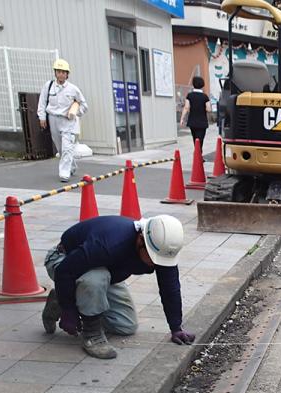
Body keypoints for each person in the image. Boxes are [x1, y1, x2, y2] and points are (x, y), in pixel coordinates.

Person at [40, 215, 196, 360]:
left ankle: (64, 298)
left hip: (105, 271)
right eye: (152, 257)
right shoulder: (109, 243)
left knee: (125, 325)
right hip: (64, 260)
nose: (154, 263)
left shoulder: (160, 247)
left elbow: (170, 287)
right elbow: (65, 271)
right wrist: (68, 310)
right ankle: (92, 335)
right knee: (96, 279)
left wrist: (176, 327)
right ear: (141, 240)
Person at [37, 58, 88, 183]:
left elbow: (84, 105)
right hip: (53, 119)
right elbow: (42, 102)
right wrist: (42, 117)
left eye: (63, 72)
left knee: (67, 147)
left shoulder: (73, 89)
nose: (61, 74)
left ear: (67, 74)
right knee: (60, 147)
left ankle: (64, 173)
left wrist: (76, 113)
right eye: (58, 71)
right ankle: (72, 165)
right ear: (55, 73)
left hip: (68, 121)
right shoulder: (48, 86)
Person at [181, 76, 210, 148]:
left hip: (192, 121)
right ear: (202, 84)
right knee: (200, 140)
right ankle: (199, 155)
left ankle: (197, 154)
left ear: (193, 84)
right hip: (202, 122)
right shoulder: (205, 96)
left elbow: (186, 107)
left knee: (195, 139)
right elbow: (208, 109)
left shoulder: (189, 95)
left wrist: (182, 118)